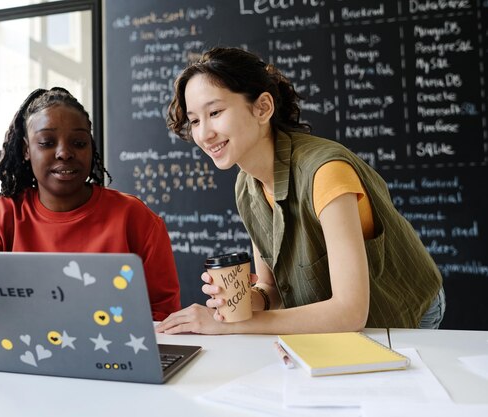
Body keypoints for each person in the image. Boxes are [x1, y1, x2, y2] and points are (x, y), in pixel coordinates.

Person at [156, 47, 445, 335]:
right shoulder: (246, 186)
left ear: (262, 108)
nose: (204, 134)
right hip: (341, 324)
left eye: (215, 112)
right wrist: (238, 302)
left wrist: (236, 327)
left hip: (401, 313)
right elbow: (271, 290)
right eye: (195, 120)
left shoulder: (325, 172)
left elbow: (351, 312)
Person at [0, 87, 181, 327]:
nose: (64, 152)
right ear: (26, 150)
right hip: (19, 366)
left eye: (79, 143)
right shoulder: (1, 218)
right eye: (46, 142)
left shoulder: (136, 219)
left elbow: (165, 317)